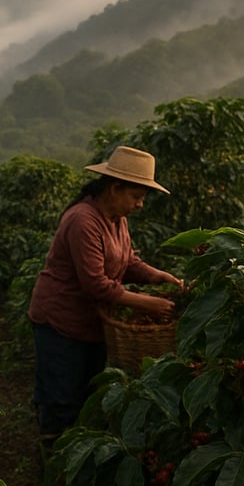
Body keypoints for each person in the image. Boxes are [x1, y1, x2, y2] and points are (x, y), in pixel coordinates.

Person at [27, 145, 183, 441]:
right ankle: (52, 458)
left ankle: (70, 451)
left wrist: (157, 276)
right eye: (136, 197)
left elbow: (127, 261)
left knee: (86, 389)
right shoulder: (83, 221)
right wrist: (149, 304)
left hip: (90, 322)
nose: (139, 205)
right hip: (60, 319)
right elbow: (95, 284)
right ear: (114, 188)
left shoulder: (116, 219)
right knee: (61, 396)